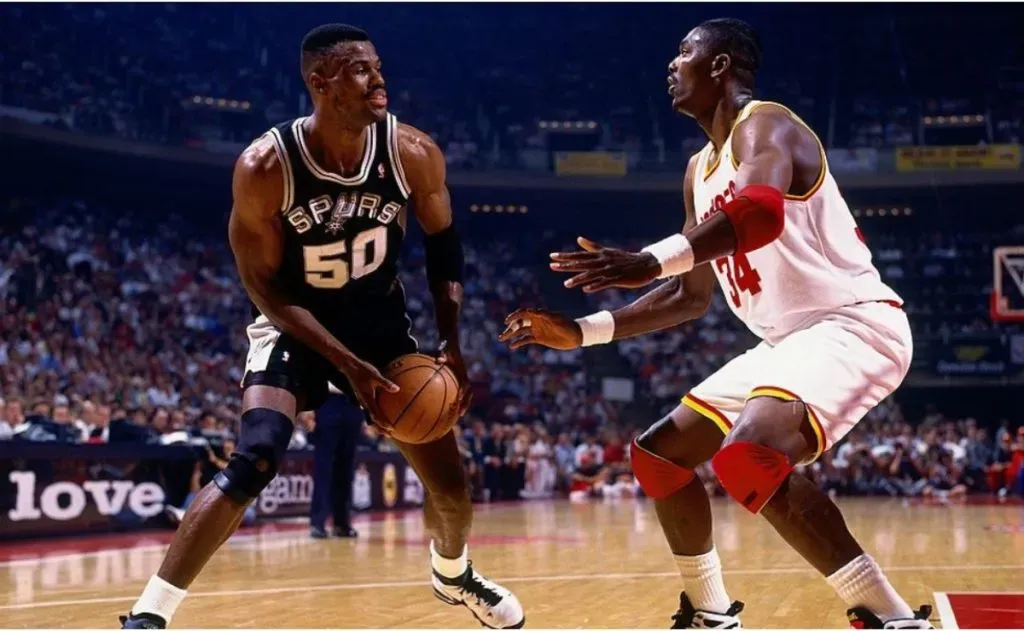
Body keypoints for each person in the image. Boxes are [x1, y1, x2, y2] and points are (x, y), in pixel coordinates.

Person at [501, 18, 930, 630]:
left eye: (685, 52)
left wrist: (649, 259)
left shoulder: (767, 124)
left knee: (748, 455)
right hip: (785, 342)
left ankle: (893, 618)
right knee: (658, 456)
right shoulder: (698, 170)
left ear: (721, 64)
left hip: (853, 324)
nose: (672, 65)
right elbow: (689, 295)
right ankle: (711, 612)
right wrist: (582, 332)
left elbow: (759, 214)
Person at [121, 24, 523, 630]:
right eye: (360, 69)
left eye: (378, 66)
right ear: (320, 81)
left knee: (451, 488)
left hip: (379, 329)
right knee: (255, 457)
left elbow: (444, 245)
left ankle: (454, 573)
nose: (378, 79)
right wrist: (343, 362)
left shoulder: (412, 152)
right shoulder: (265, 167)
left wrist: (451, 343)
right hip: (294, 321)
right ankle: (149, 614)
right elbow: (262, 287)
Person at [309, 387, 363, 538]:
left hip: (354, 401)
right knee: (323, 466)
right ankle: (318, 522)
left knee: (347, 467)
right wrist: (307, 407)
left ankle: (341, 523)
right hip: (327, 400)